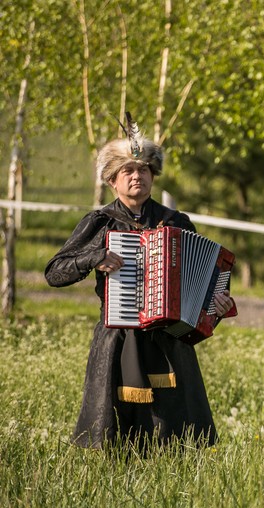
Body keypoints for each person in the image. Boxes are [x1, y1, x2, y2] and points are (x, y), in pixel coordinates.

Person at [45, 115, 236, 450]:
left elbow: (201, 283)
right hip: (118, 339)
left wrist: (217, 306)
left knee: (174, 437)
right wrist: (93, 258)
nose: (137, 176)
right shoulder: (101, 222)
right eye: (128, 171)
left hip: (169, 341)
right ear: (112, 181)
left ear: (153, 176)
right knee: (117, 432)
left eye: (144, 170)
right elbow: (55, 272)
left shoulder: (176, 222)